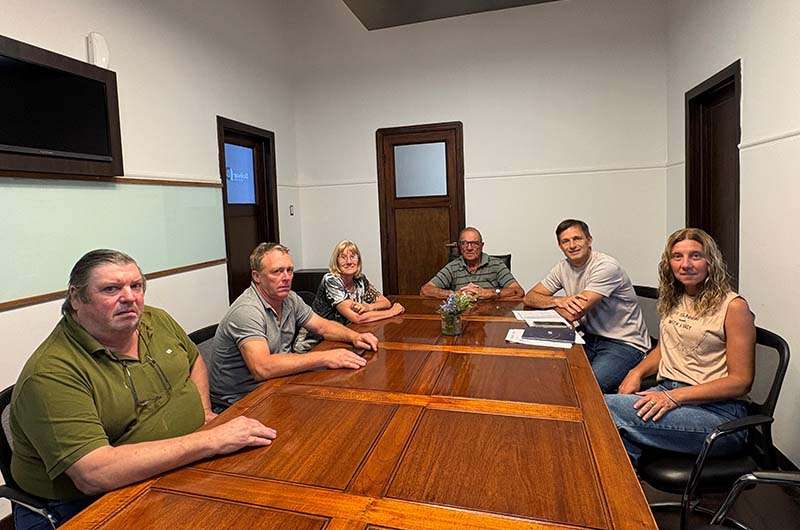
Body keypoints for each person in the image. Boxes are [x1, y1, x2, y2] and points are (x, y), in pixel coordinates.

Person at [10, 249, 277, 530]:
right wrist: (210, 440)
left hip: (182, 466)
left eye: (136, 286)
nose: (129, 297)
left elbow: (194, 361)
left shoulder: (154, 319)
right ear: (76, 298)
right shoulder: (51, 373)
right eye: (111, 289)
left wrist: (204, 411)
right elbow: (94, 473)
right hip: (90, 504)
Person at [605, 228, 755, 466]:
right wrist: (637, 372)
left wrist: (673, 397)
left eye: (695, 256)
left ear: (710, 261)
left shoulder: (734, 307)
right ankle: (619, 487)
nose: (685, 264)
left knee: (603, 407)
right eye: (677, 256)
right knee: (615, 441)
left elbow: (741, 381)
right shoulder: (675, 298)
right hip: (669, 391)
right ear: (669, 263)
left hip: (719, 415)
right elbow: (667, 348)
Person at [209, 243, 380, 411]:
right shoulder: (247, 311)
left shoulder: (290, 299)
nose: (286, 277)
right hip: (239, 403)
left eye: (289, 270)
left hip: (276, 385)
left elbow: (322, 326)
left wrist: (355, 337)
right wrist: (326, 357)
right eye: (277, 271)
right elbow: (262, 368)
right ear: (257, 276)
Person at [524, 219, 651, 392]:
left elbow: (573, 313)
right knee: (548, 373)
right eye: (565, 241)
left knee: (584, 389)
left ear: (589, 240)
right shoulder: (562, 267)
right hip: (589, 338)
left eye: (577, 238)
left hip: (624, 344)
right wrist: (557, 301)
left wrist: (550, 304)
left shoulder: (606, 266)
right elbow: (530, 297)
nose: (572, 245)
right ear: (560, 246)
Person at [294, 240, 405, 352]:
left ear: (358, 260)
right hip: (314, 344)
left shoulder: (360, 280)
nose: (349, 261)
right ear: (336, 261)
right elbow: (357, 318)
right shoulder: (331, 281)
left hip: (341, 337)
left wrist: (368, 307)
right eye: (343, 257)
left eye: (353, 257)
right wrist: (392, 312)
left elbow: (385, 302)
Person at [419, 227, 524, 299]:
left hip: (490, 318)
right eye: (464, 243)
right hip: (462, 316)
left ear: (481, 246)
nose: (469, 248)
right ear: (460, 246)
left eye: (474, 243)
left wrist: (491, 293)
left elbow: (518, 291)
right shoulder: (453, 266)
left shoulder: (497, 265)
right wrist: (455, 294)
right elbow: (425, 290)